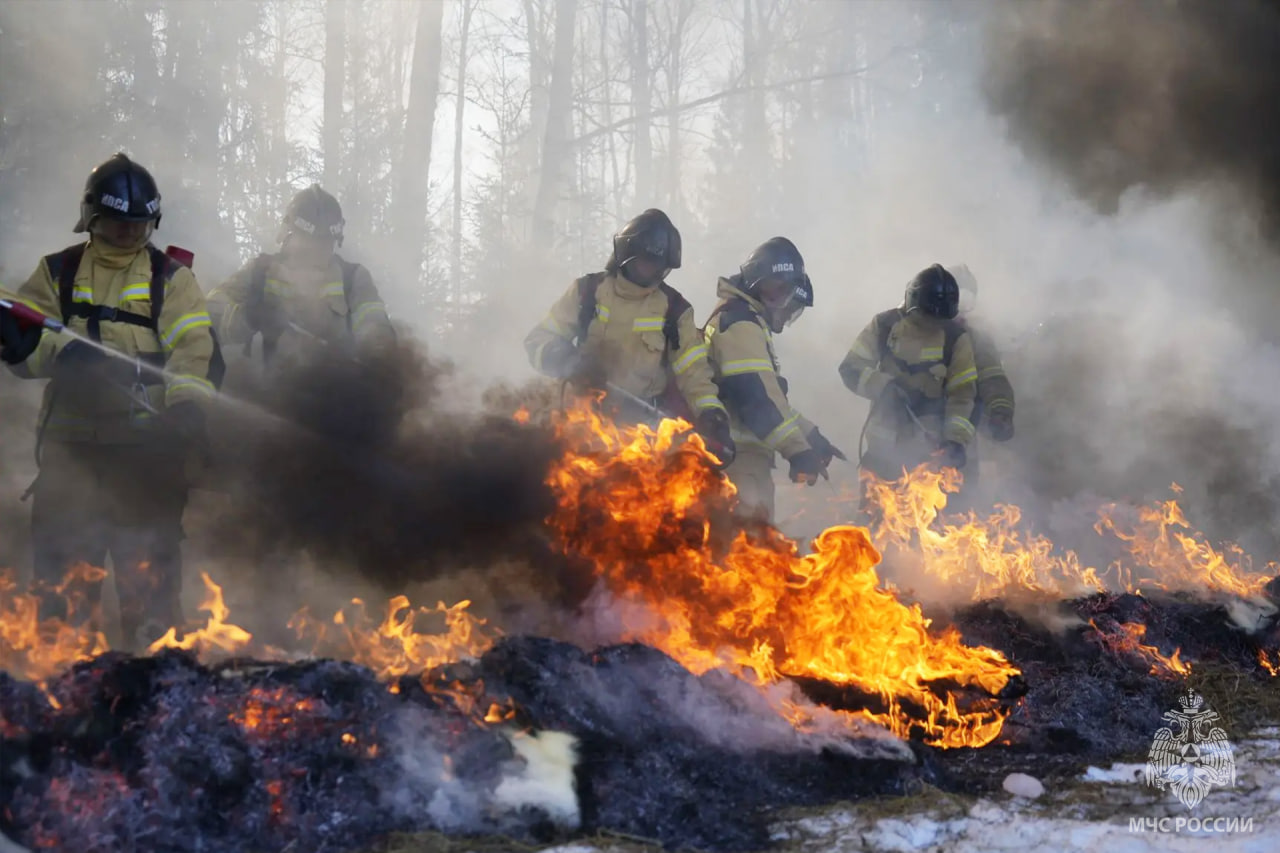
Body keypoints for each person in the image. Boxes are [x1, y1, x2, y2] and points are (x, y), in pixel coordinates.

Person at [0, 152, 220, 649]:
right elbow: (21, 354)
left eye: (139, 225)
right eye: (118, 223)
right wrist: (59, 355)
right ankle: (62, 698)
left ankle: (159, 705)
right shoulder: (57, 272)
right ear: (92, 219)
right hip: (70, 457)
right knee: (61, 599)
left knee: (152, 600)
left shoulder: (171, 280)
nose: (128, 233)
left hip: (146, 463)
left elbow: (193, 352)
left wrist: (186, 406)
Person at [523, 208, 733, 458]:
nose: (652, 272)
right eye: (646, 262)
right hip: (579, 424)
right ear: (626, 254)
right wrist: (568, 361)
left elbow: (694, 373)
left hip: (640, 436)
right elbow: (538, 340)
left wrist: (711, 413)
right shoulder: (587, 292)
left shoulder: (674, 310)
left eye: (659, 267)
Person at [705, 237, 844, 522]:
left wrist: (809, 435)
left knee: (755, 552)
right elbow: (755, 401)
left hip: (745, 460)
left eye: (786, 296)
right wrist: (798, 452)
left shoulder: (747, 322)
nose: (782, 306)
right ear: (756, 284)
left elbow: (769, 398)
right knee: (744, 554)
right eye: (775, 291)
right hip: (735, 461)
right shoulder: (741, 323)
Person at [206, 184, 394, 368]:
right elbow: (207, 316)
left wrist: (376, 351)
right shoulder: (260, 273)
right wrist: (248, 317)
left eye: (324, 244)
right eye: (308, 243)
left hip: (338, 393)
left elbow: (374, 323)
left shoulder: (353, 279)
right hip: (266, 394)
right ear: (288, 235)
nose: (316, 252)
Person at [839, 263, 978, 499]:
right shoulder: (884, 326)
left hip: (928, 456)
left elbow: (962, 395)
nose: (933, 324)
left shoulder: (955, 339)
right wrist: (882, 387)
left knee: (929, 529)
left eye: (940, 319)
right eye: (928, 317)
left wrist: (956, 441)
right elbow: (851, 368)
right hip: (882, 451)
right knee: (877, 520)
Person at [949, 263, 1015, 445]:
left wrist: (1001, 411)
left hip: (959, 443)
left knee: (961, 473)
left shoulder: (976, 337)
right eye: (956, 299)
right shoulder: (911, 331)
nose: (961, 308)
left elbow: (992, 376)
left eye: (966, 300)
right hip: (909, 438)